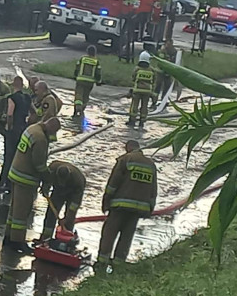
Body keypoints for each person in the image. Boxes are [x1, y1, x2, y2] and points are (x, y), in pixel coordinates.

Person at [97, 140, 158, 271]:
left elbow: (113, 183)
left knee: (109, 233)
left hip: (120, 206)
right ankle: (119, 265)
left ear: (128, 148)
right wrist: (150, 208)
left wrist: (106, 201)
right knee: (126, 236)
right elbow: (153, 190)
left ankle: (102, 263)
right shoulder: (151, 165)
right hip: (138, 209)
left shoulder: (125, 160)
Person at [4, 117, 60, 254]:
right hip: (26, 179)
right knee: (22, 213)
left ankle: (8, 238)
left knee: (14, 210)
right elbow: (39, 165)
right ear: (50, 129)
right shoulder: (40, 139)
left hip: (16, 173)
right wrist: (48, 179)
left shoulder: (32, 129)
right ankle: (18, 242)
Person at [0, 75, 33, 193]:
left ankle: (4, 182)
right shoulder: (27, 97)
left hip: (14, 130)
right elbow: (34, 113)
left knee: (8, 156)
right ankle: (14, 182)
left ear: (13, 85)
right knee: (18, 157)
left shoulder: (12, 97)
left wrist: (8, 126)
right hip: (23, 129)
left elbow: (10, 114)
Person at [39, 160, 86, 242]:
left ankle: (66, 239)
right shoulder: (52, 169)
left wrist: (69, 215)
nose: (62, 183)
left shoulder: (78, 180)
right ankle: (45, 237)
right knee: (51, 214)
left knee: (69, 219)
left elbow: (75, 203)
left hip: (73, 192)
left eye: (63, 181)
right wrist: (45, 188)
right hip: (58, 191)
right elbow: (47, 180)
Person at [73, 45, 103, 118]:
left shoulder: (82, 59)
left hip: (80, 80)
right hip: (90, 82)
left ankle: (77, 108)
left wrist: (75, 76)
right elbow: (98, 73)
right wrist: (98, 81)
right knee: (86, 96)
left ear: (87, 51)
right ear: (95, 53)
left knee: (78, 95)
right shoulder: (96, 62)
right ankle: (82, 109)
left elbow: (77, 67)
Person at [128, 51, 156, 128]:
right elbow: (153, 81)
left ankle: (132, 121)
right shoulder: (152, 70)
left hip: (137, 91)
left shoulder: (137, 69)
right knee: (144, 106)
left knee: (134, 105)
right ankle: (142, 122)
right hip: (147, 92)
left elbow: (133, 78)